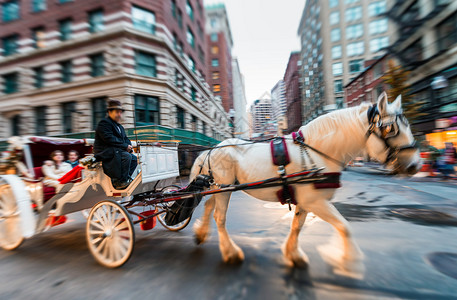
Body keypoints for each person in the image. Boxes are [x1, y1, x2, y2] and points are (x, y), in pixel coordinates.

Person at [94, 99, 138, 189]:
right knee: (127, 157)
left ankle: (125, 178)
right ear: (110, 112)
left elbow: (125, 138)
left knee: (134, 158)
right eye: (117, 112)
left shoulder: (120, 126)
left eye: (120, 112)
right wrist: (125, 146)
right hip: (106, 152)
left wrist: (129, 147)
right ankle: (119, 182)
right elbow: (109, 138)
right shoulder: (104, 123)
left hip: (116, 150)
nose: (119, 115)